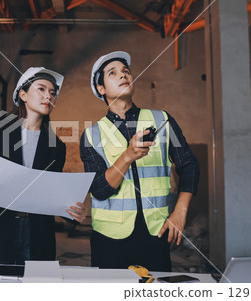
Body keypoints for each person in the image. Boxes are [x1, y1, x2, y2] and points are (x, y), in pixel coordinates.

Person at [80, 51, 199, 271]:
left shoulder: (162, 120)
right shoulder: (91, 136)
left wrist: (180, 211)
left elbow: (189, 165)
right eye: (113, 73)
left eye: (126, 71)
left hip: (156, 232)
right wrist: (127, 156)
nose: (123, 75)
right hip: (109, 239)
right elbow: (99, 189)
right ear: (101, 89)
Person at [0, 67, 86, 265]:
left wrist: (73, 212)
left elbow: (53, 192)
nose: (49, 96)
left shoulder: (56, 147)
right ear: (23, 95)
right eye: (41, 89)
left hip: (38, 235)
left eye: (53, 93)